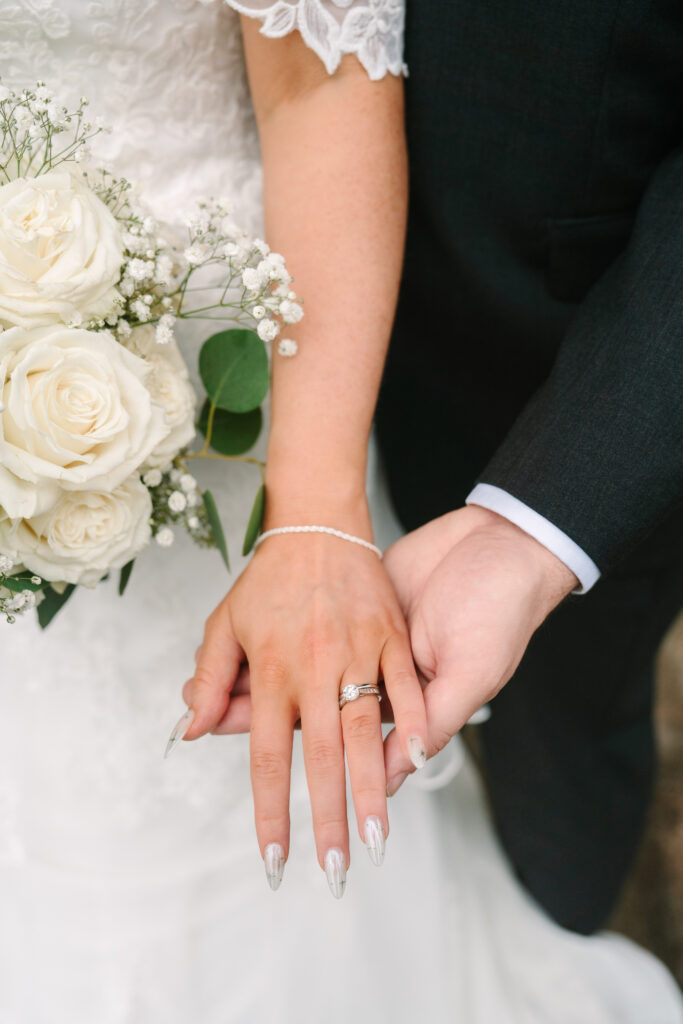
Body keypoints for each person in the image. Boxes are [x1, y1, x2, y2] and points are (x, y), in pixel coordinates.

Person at [1, 3, 682, 1023]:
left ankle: (564, 896)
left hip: (339, 364)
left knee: (552, 742)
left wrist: (314, 513)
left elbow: (317, 75)